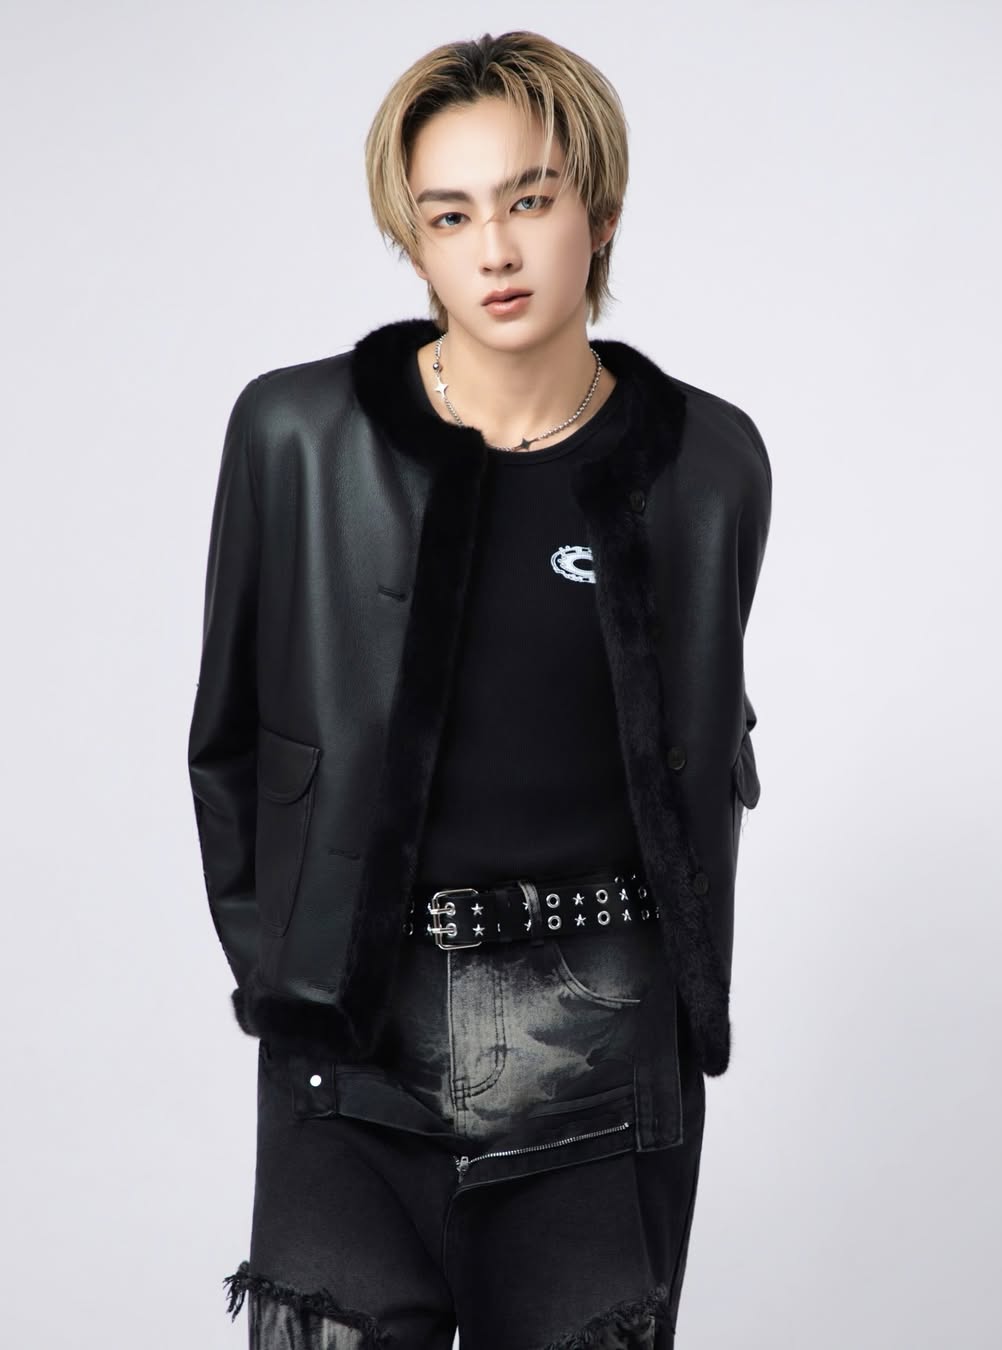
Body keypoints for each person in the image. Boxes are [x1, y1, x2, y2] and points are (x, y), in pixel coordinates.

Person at [188, 28, 772, 1350]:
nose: (495, 250)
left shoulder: (710, 464)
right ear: (414, 240)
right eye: (450, 215)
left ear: (598, 212)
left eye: (530, 199)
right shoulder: (294, 436)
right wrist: (294, 974)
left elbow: (693, 767)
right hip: (351, 1055)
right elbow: (228, 744)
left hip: (603, 1055)